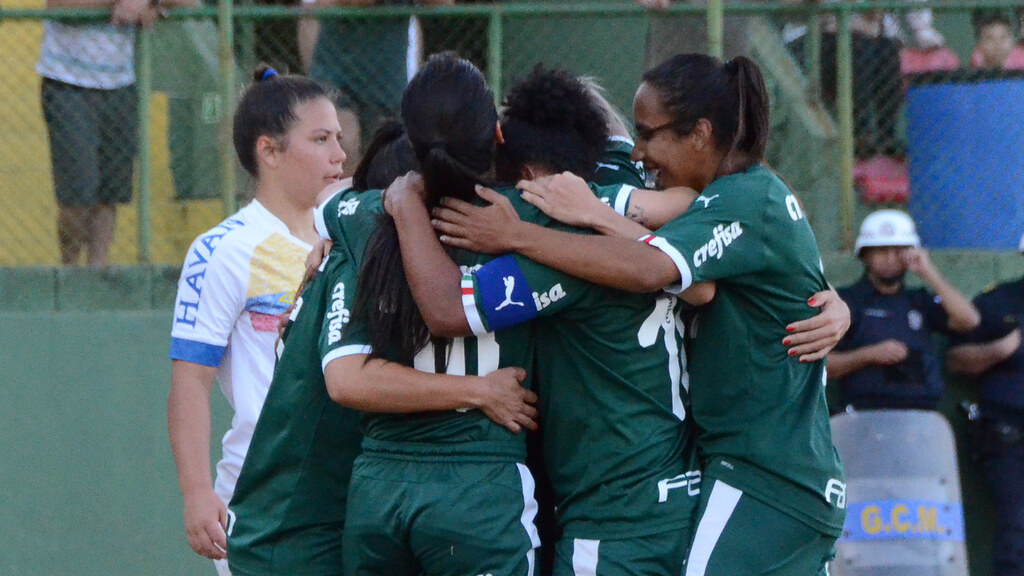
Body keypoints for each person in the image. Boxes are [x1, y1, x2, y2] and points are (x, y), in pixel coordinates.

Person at [432, 53, 850, 576]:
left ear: (699, 133)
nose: (638, 150)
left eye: (650, 134)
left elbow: (652, 268)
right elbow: (695, 283)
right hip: (754, 475)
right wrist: (594, 215)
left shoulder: (747, 197)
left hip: (766, 477)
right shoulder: (728, 197)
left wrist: (521, 233)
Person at [167, 67, 345, 576]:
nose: (339, 154)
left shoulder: (355, 231)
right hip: (266, 498)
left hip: (352, 489)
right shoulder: (223, 249)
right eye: (320, 139)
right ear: (269, 151)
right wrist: (198, 492)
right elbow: (190, 382)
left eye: (338, 137)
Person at [37, 0, 193, 265]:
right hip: (67, 81)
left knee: (110, 194)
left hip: (120, 83)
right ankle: (70, 273)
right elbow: (58, 4)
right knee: (76, 197)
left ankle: (97, 273)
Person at [828, 209, 980, 411]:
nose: (891, 258)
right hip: (864, 416)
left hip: (921, 416)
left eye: (899, 251)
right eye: (881, 251)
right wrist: (869, 355)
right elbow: (823, 366)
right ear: (865, 255)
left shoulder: (919, 299)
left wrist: (927, 271)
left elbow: (969, 320)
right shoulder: (846, 301)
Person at [947, 232, 1024, 576]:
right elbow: (955, 359)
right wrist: (997, 352)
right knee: (1017, 525)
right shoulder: (999, 301)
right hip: (1008, 436)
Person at [303, 0, 453, 173]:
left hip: (388, 82)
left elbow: (444, 5)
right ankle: (346, 198)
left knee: (386, 160)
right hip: (337, 73)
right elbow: (320, 5)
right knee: (344, 140)